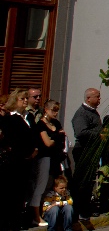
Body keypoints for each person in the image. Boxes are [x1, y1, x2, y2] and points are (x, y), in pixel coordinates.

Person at [0, 89, 39, 231]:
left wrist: (34, 150)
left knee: (21, 194)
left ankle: (17, 221)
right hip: (14, 162)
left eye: (25, 98)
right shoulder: (9, 118)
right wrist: (25, 153)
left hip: (26, 162)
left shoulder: (27, 117)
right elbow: (13, 140)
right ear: (14, 101)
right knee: (10, 194)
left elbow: (33, 137)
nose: (24, 101)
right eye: (22, 99)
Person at [31, 100, 67, 226]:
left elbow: (63, 137)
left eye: (57, 110)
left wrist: (56, 137)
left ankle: (50, 212)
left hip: (55, 158)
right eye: (53, 110)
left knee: (53, 185)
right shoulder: (40, 125)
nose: (56, 113)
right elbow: (47, 143)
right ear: (46, 109)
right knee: (41, 186)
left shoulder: (56, 123)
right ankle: (35, 215)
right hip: (44, 158)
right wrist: (58, 135)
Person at [71, 88, 103, 219]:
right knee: (82, 182)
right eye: (97, 97)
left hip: (92, 151)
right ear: (88, 98)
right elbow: (81, 132)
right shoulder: (82, 114)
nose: (99, 99)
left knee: (89, 182)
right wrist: (99, 135)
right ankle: (80, 209)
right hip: (83, 151)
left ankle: (85, 207)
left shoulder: (93, 112)